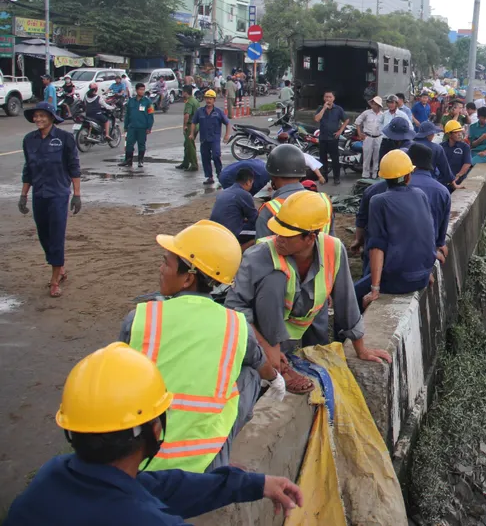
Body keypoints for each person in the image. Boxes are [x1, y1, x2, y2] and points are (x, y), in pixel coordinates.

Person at [3, 342, 302, 525]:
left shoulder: (51, 477)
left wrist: (253, 484)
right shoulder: (146, 518)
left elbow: (164, 487)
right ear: (155, 429)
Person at [118, 220, 278, 472]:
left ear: (187, 279)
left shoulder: (139, 318)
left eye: (166, 263)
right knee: (249, 372)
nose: (161, 269)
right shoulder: (237, 325)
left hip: (139, 458)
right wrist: (277, 380)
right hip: (204, 461)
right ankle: (224, 453)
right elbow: (263, 366)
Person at [226, 191, 391, 394]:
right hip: (261, 334)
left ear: (310, 237)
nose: (279, 239)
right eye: (278, 232)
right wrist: (266, 349)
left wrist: (361, 348)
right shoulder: (259, 256)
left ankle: (283, 361)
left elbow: (345, 300)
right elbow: (234, 308)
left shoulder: (333, 249)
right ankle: (276, 366)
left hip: (301, 324)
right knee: (273, 280)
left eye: (287, 235)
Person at [353, 150, 438, 308]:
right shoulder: (420, 195)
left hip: (398, 281)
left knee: (349, 296)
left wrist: (374, 289)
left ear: (384, 177)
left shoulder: (378, 201)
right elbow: (428, 234)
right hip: (422, 276)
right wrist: (427, 271)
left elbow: (376, 246)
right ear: (408, 176)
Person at [19, 101, 81, 298]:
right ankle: (59, 266)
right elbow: (28, 169)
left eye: (42, 116)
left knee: (56, 235)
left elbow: (74, 167)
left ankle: (54, 280)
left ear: (52, 118)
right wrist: (23, 195)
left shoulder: (65, 138)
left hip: (58, 195)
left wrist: (77, 195)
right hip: (39, 194)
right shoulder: (29, 140)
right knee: (43, 235)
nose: (38, 119)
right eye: (36, 116)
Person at [256, 144, 333, 240]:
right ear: (301, 175)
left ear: (272, 176)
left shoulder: (269, 209)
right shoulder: (325, 202)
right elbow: (332, 241)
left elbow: (262, 247)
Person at [406, 143, 451, 263]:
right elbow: (442, 229)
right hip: (427, 252)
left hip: (399, 252)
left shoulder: (402, 185)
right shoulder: (443, 191)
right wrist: (439, 245)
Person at [190, 89, 230, 186]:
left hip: (214, 139)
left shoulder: (218, 112)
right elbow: (194, 123)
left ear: (214, 100)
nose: (208, 100)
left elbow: (227, 123)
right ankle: (209, 177)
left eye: (210, 99)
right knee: (205, 157)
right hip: (204, 139)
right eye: (207, 98)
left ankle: (220, 175)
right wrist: (192, 134)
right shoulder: (200, 111)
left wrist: (226, 135)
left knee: (216, 156)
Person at [211, 168, 260, 243]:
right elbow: (255, 219)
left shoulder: (224, 192)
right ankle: (241, 249)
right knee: (261, 231)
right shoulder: (245, 194)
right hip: (229, 234)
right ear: (248, 182)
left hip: (214, 230)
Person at [119, 82, 156, 168]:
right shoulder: (131, 101)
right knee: (129, 144)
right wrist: (126, 126)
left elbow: (151, 115)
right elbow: (127, 115)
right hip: (132, 127)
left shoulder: (148, 102)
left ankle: (140, 161)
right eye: (140, 90)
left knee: (141, 144)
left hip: (142, 127)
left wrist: (149, 127)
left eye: (143, 90)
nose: (142, 91)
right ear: (136, 90)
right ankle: (128, 160)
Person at [315, 90, 346, 184]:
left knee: (335, 159)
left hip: (333, 138)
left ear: (333, 98)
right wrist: (324, 109)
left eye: (330, 97)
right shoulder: (320, 108)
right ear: (324, 98)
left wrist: (340, 131)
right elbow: (317, 119)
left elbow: (346, 119)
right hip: (323, 137)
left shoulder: (338, 109)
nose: (328, 99)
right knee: (323, 159)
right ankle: (324, 177)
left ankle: (336, 178)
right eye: (326, 97)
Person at [413, 121, 454, 188]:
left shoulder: (410, 146)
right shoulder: (437, 148)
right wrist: (452, 181)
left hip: (410, 182)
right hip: (429, 183)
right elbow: (445, 171)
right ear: (430, 135)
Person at [354, 96, 384, 178]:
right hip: (368, 137)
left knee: (377, 157)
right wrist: (359, 133)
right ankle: (365, 174)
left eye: (375, 104)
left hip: (379, 137)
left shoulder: (383, 115)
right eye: (373, 103)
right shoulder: (366, 113)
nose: (373, 105)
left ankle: (375, 173)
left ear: (379, 106)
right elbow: (357, 122)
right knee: (367, 156)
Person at [176, 85, 200, 172]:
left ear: (185, 92)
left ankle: (194, 165)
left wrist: (184, 126)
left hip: (191, 125)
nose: (182, 94)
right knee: (187, 145)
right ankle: (185, 163)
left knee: (190, 146)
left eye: (183, 92)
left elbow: (187, 115)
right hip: (197, 125)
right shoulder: (195, 100)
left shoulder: (189, 102)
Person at [443, 120, 472, 186]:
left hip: (458, 181)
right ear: (449, 134)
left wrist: (458, 176)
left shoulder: (465, 147)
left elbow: (467, 163)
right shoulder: (441, 146)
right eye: (456, 132)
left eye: (460, 131)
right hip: (443, 181)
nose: (459, 134)